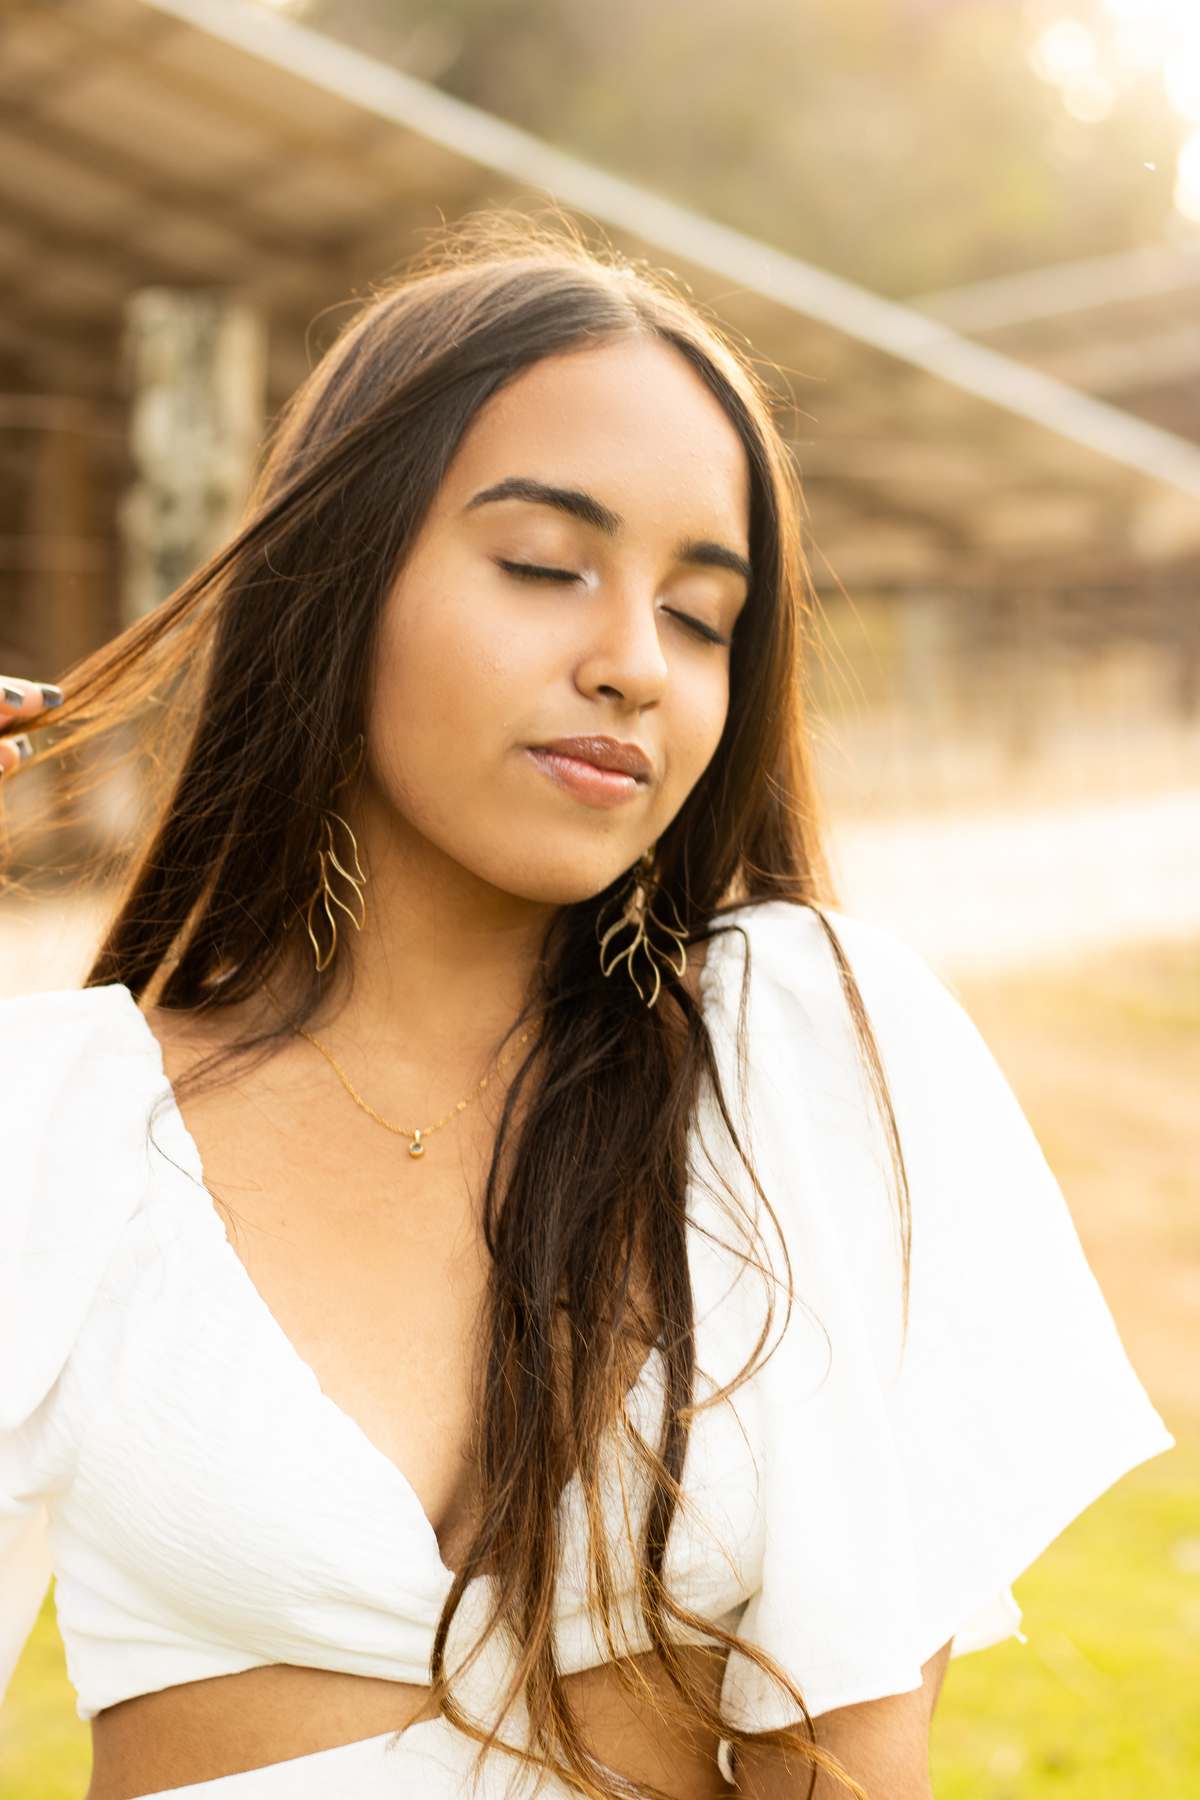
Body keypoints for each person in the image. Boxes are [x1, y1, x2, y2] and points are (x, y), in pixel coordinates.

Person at [0, 222, 1170, 1800]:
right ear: (337, 581)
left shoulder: (796, 1059)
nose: (634, 664)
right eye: (546, 567)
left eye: (701, 616)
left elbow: (851, 1758)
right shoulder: (61, 1122)